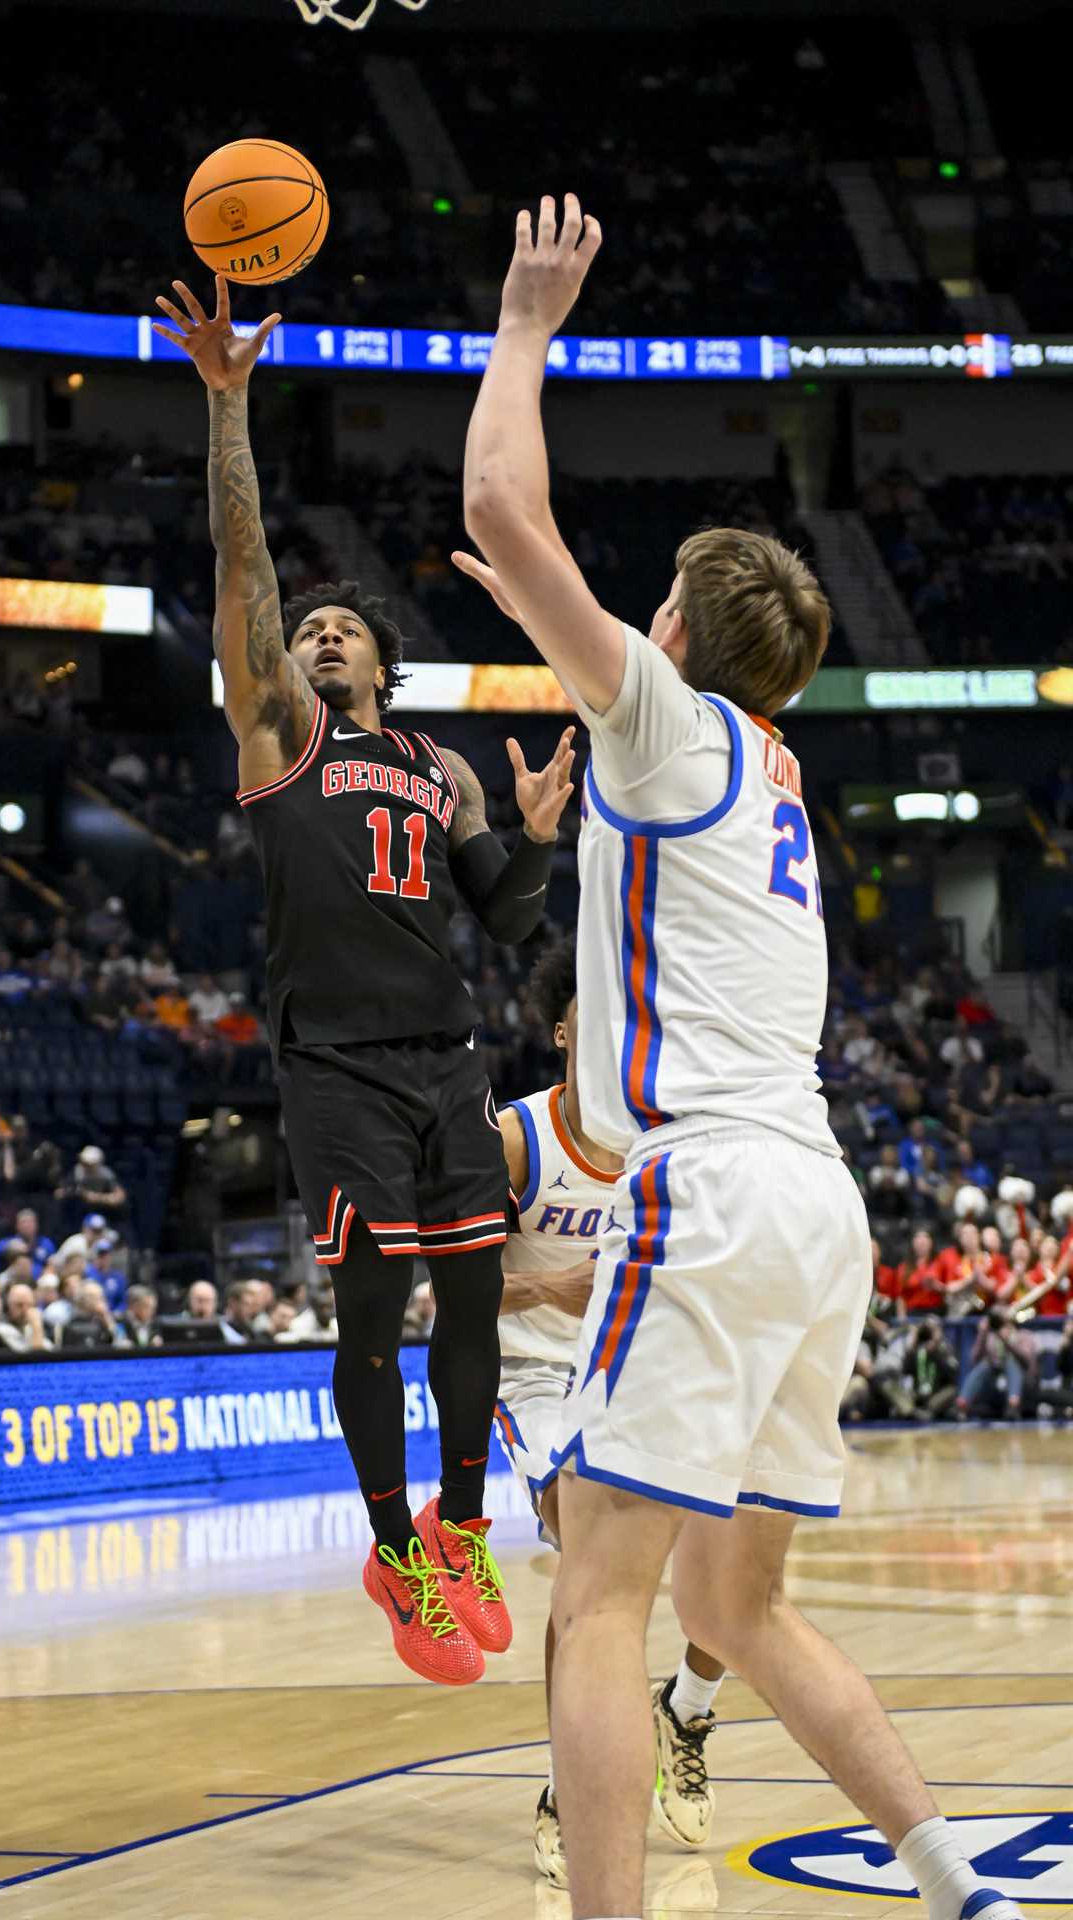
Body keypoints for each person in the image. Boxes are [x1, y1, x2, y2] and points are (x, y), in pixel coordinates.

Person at [457, 190, 1025, 1920]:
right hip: (818, 1207)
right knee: (742, 1614)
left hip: (702, 1190)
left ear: (682, 639)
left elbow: (495, 494)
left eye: (642, 616)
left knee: (600, 1602)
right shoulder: (772, 775)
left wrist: (529, 320)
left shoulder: (664, 718)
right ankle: (956, 1885)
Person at [154, 268, 577, 1687]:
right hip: (331, 1063)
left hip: (445, 1059)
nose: (318, 639)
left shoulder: (440, 765)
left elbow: (511, 923)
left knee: (472, 1298)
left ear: (384, 665)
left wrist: (526, 843)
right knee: (374, 1303)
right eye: (309, 633)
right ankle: (393, 1541)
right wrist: (230, 407)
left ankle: (462, 1526)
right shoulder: (280, 734)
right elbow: (244, 574)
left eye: (344, 633)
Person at [494, 937, 725, 1889]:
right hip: (536, 1377)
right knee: (587, 1560)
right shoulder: (516, 1137)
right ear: (561, 1030)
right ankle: (566, 1789)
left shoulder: (661, 1143)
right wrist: (554, 1291)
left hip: (636, 1363)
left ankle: (691, 1702)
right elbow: (443, 1282)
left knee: (732, 1534)